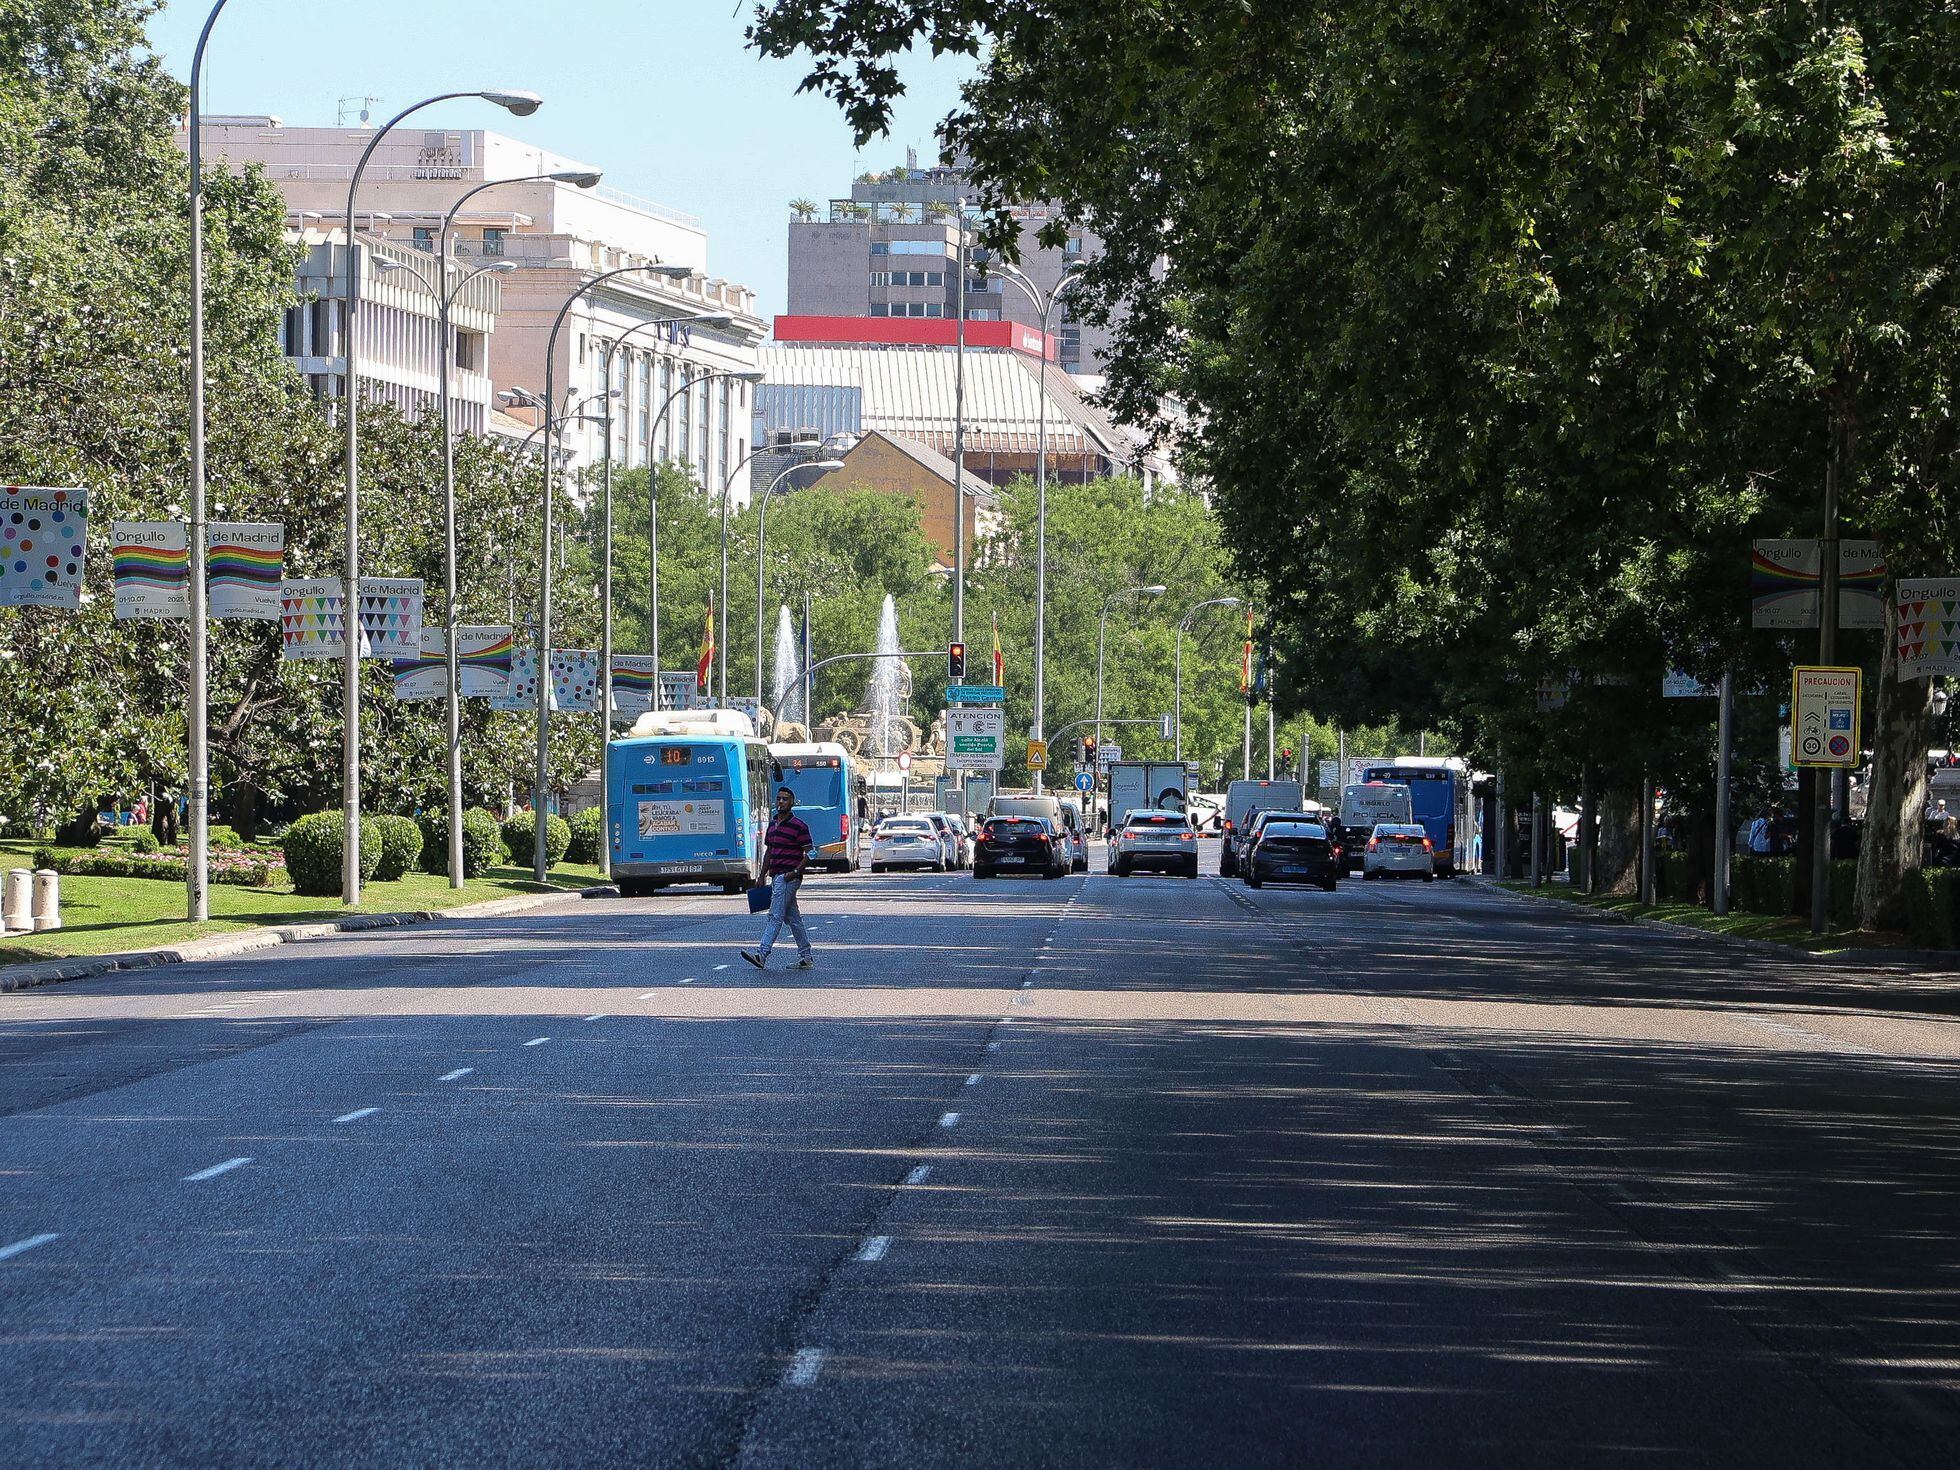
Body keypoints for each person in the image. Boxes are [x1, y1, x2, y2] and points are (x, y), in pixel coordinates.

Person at [742, 787, 814, 971]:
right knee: (793, 918)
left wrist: (795, 872)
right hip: (776, 876)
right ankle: (806, 956)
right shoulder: (773, 825)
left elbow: (811, 852)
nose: (781, 802)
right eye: (779, 798)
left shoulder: (799, 826)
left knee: (775, 916)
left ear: (792, 802)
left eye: (785, 799)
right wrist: (761, 875)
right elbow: (769, 852)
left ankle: (762, 954)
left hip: (788, 877)